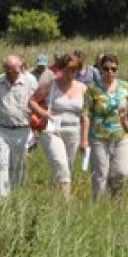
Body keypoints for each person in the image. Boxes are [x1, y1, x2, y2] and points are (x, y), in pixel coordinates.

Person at [29, 53, 87, 200]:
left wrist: (85, 139)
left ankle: (53, 197)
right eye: (67, 70)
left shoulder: (83, 88)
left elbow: (86, 115)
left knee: (67, 168)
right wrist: (43, 113)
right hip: (52, 131)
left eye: (74, 71)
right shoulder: (51, 85)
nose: (70, 74)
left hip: (74, 131)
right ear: (60, 69)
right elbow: (31, 102)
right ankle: (67, 202)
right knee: (62, 167)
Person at [0, 54, 38, 198]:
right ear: (4, 69)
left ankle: (16, 194)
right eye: (8, 72)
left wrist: (36, 129)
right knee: (1, 164)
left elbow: (38, 103)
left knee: (18, 165)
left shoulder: (31, 82)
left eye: (15, 72)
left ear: (20, 68)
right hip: (0, 130)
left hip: (22, 130)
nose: (12, 75)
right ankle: (0, 199)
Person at [83, 53, 128, 200]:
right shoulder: (92, 89)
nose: (110, 72)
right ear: (100, 69)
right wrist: (84, 139)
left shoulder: (125, 86)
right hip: (99, 137)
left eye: (113, 69)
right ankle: (99, 205)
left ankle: (116, 196)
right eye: (106, 69)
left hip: (121, 135)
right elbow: (86, 114)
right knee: (100, 173)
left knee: (122, 171)